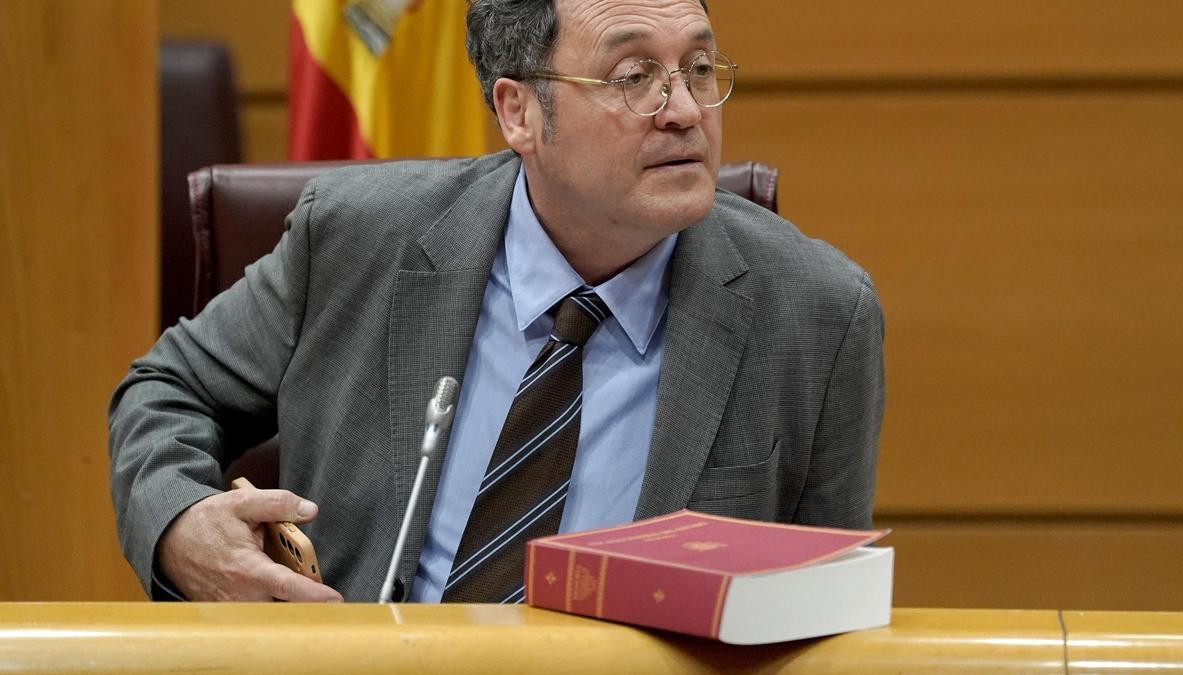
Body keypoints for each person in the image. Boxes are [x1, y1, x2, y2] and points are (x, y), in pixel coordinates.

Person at [108, 0, 884, 603]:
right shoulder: (354, 240)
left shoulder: (817, 313)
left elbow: (822, 615)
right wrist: (179, 524)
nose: (683, 109)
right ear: (518, 112)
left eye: (701, 69)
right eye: (634, 77)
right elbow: (165, 390)